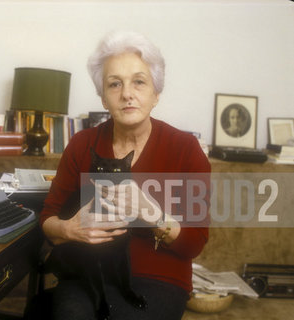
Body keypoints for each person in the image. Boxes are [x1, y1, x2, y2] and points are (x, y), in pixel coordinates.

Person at [39, 31, 211, 320]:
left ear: (156, 94)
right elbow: (47, 220)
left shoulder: (186, 148)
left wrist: (148, 211)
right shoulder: (83, 144)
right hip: (87, 274)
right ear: (104, 98)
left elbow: (194, 242)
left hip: (160, 280)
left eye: (139, 82)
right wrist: (70, 229)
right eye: (114, 84)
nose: (127, 94)